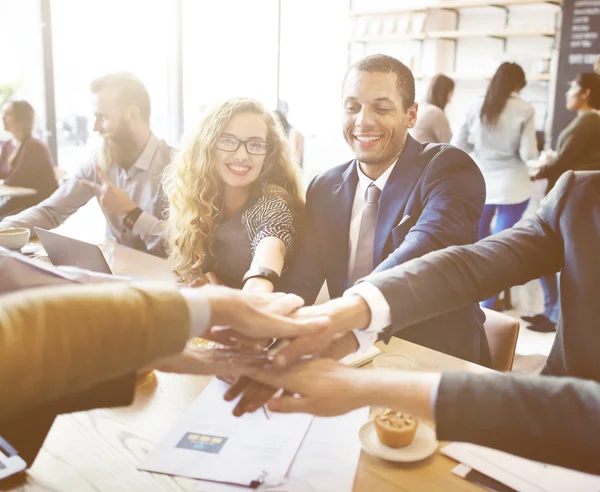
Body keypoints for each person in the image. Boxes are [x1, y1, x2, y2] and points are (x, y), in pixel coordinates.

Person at [242, 170, 600, 475]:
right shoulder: (581, 195)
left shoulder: (445, 170)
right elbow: (475, 265)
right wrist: (352, 310)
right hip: (534, 458)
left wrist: (367, 387)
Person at [280, 54, 488, 364]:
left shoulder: (447, 168)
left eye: (382, 108)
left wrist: (349, 313)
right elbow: (303, 279)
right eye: (352, 108)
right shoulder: (324, 186)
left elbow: (426, 248)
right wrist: (266, 318)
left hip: (434, 357)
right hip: (353, 355)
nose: (363, 121)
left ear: (411, 115)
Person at [0, 73, 170, 257]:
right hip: (120, 274)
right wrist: (4, 228)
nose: (95, 127)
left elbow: (183, 242)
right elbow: (51, 211)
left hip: (167, 278)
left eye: (102, 117)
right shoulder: (99, 160)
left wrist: (132, 213)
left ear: (132, 115)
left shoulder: (176, 167)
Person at [165, 98, 303, 292]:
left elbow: (272, 247)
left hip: (263, 315)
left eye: (255, 145)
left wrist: (254, 287)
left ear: (268, 153)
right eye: (228, 141)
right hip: (217, 313)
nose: (242, 155)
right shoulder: (200, 197)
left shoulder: (272, 203)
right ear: (208, 146)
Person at [452, 62, 538, 309]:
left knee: (477, 247)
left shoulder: (475, 104)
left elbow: (458, 145)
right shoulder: (525, 109)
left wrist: (483, 152)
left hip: (480, 184)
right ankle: (487, 309)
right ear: (517, 84)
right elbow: (528, 153)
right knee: (500, 250)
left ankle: (469, 304)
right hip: (513, 187)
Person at [527, 72, 600, 332]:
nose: (568, 93)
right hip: (573, 196)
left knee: (554, 254)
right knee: (552, 253)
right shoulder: (587, 120)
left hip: (575, 198)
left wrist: (538, 172)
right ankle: (550, 312)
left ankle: (555, 315)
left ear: (586, 93)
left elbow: (566, 159)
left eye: (572, 87)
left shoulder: (589, 120)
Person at [0, 100, 58, 218]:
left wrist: (4, 182)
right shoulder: (8, 144)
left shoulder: (34, 146)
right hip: (19, 200)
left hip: (39, 203)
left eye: (8, 114)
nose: (3, 117)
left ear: (21, 120)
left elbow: (15, 179)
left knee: (3, 222)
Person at [409, 73, 454, 143]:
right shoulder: (435, 112)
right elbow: (450, 144)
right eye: (451, 93)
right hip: (425, 153)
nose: (450, 100)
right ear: (445, 93)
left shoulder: (421, 107)